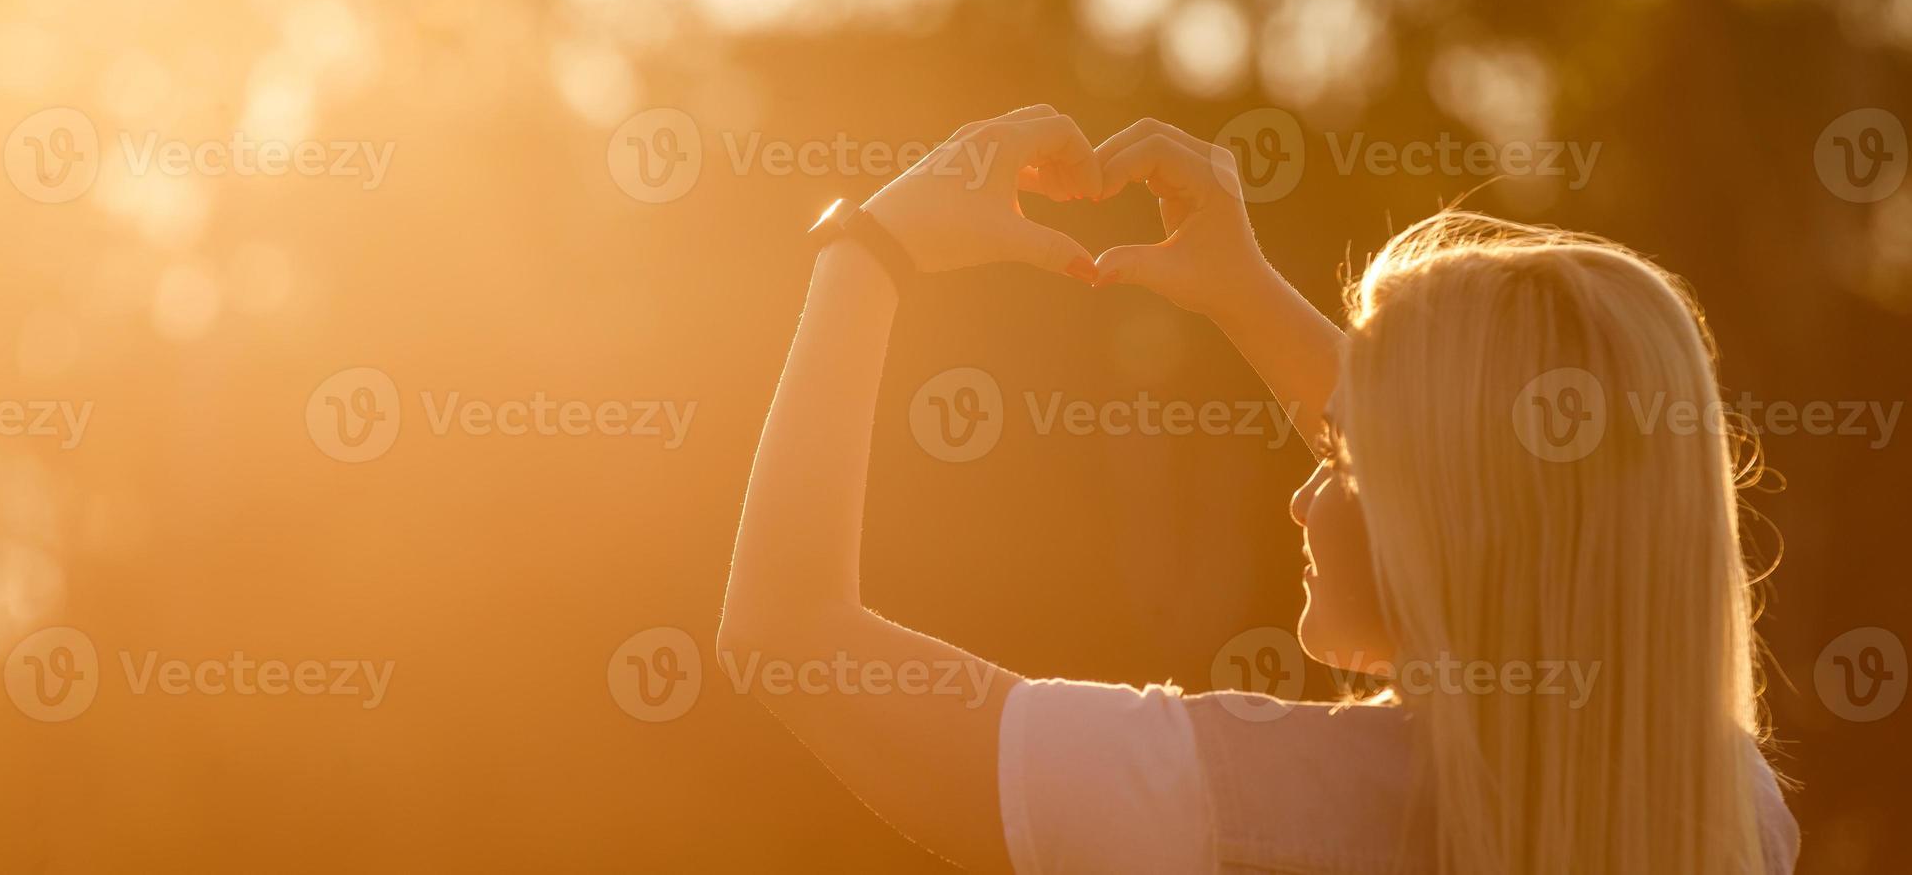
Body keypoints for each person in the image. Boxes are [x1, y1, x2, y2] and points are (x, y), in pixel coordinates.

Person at [715, 104, 1799, 873]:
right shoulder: (1728, 807)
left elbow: (786, 631)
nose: (1302, 495)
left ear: (1447, 521)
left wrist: (867, 247)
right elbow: (1487, 474)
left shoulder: (1221, 797)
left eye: (1342, 459)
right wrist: (1243, 292)